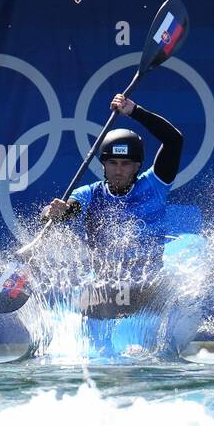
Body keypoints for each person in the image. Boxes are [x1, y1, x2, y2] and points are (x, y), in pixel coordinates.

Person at [41, 95, 184, 313]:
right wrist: (54, 212)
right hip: (107, 289)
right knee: (84, 304)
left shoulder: (155, 184)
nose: (118, 170)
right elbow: (67, 211)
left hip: (149, 287)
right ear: (104, 165)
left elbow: (174, 140)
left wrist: (135, 111)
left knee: (148, 294)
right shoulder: (89, 194)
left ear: (137, 166)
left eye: (126, 164)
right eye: (113, 163)